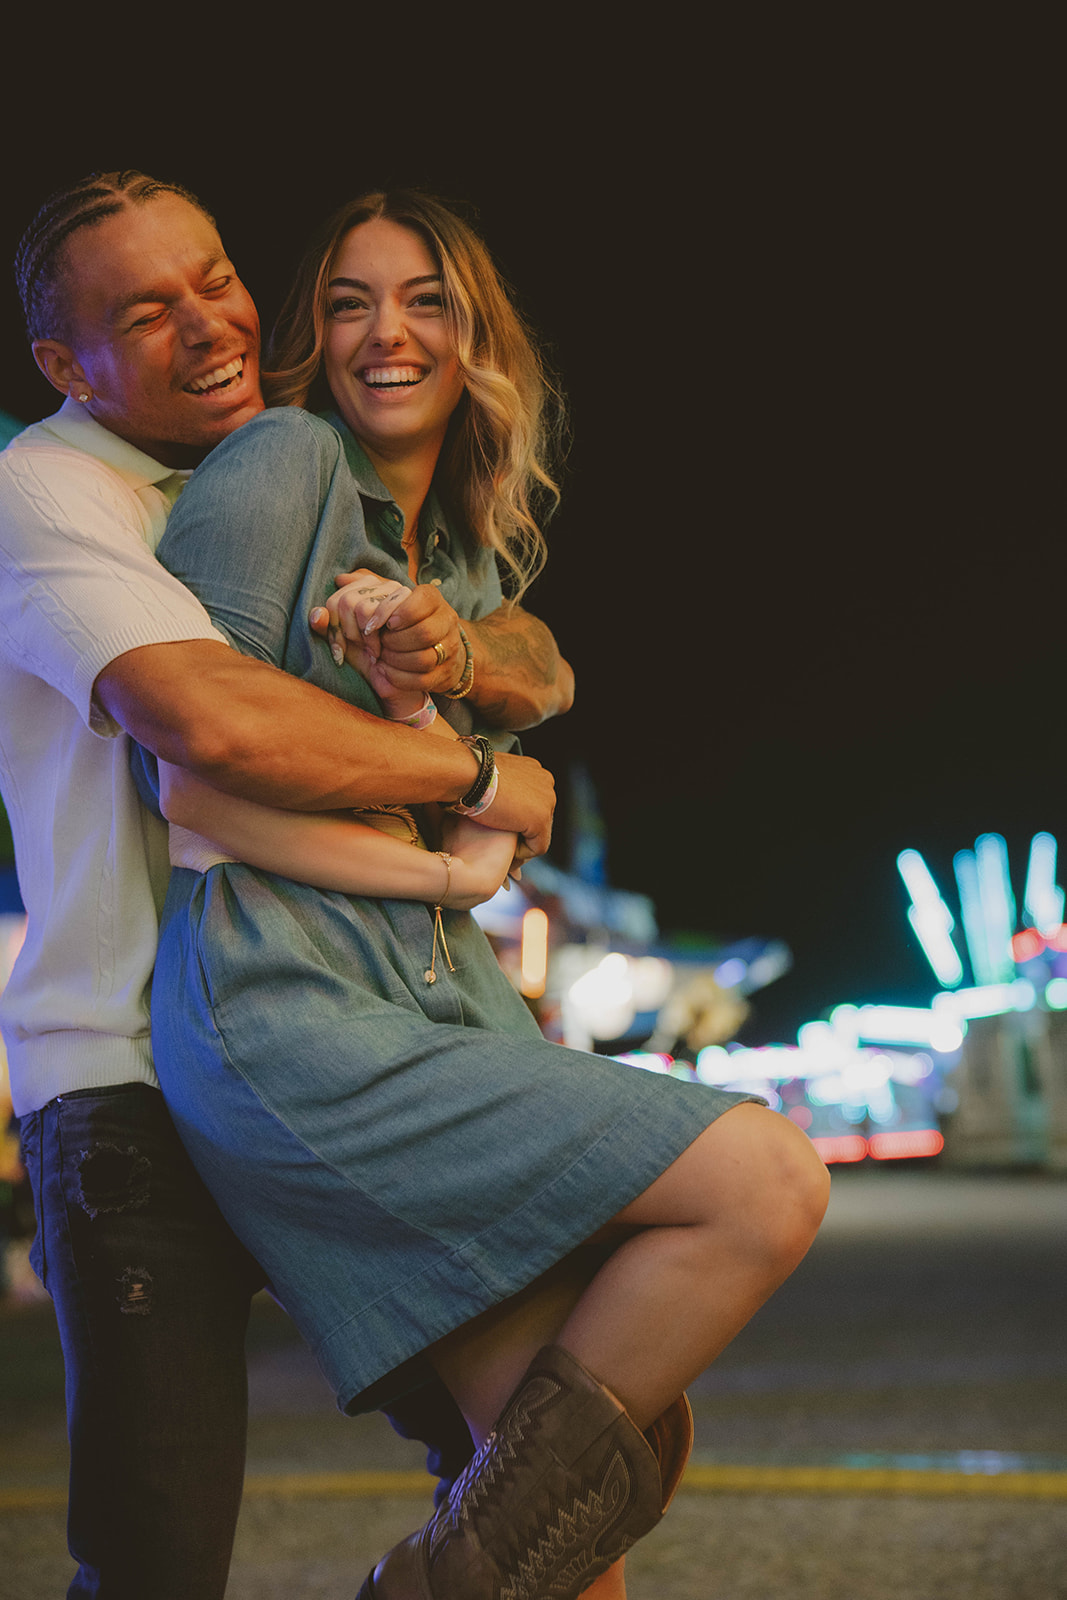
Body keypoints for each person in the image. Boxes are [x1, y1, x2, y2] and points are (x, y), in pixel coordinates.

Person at [146, 189, 832, 1600]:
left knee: (581, 1500)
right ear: (314, 337)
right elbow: (192, 783)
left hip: (443, 1003)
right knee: (762, 1181)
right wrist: (459, 829)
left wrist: (472, 742)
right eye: (348, 300)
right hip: (292, 1007)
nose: (383, 331)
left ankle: (447, 1577)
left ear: (475, 340)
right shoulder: (282, 463)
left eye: (423, 300)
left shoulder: (456, 558)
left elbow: (528, 699)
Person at [0, 170, 565, 1600]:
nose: (208, 323)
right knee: (156, 1556)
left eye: (215, 279)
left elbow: (519, 645)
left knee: (551, 1449)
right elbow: (214, 728)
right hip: (128, 1074)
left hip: (317, 1040)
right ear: (65, 366)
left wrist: (479, 666)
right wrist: (480, 787)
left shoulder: (270, 464)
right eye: (147, 309)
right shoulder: (47, 489)